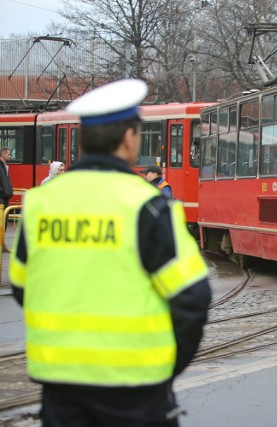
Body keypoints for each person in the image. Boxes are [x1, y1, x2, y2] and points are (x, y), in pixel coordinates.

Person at [9, 79, 211, 427]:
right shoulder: (147, 206)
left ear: (83, 138)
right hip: (134, 387)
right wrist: (165, 367)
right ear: (130, 138)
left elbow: (21, 286)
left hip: (60, 385)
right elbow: (192, 297)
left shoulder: (40, 204)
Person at [0, 147, 13, 211]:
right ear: (3, 154)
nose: (9, 156)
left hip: (5, 197)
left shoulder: (5, 166)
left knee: (4, 218)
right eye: (8, 154)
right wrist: (3, 191)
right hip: (1, 197)